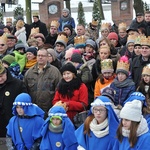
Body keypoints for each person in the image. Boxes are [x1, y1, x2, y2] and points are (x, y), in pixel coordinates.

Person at [24, 48, 62, 118]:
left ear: (47, 57)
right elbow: (25, 90)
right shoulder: (29, 72)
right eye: (39, 55)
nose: (40, 57)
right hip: (33, 110)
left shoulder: (55, 72)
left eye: (43, 56)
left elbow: (59, 90)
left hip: (49, 110)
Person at [0, 60, 27, 137]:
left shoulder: (18, 84)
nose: (0, 79)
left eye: (1, 76)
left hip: (12, 122)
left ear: (6, 73)